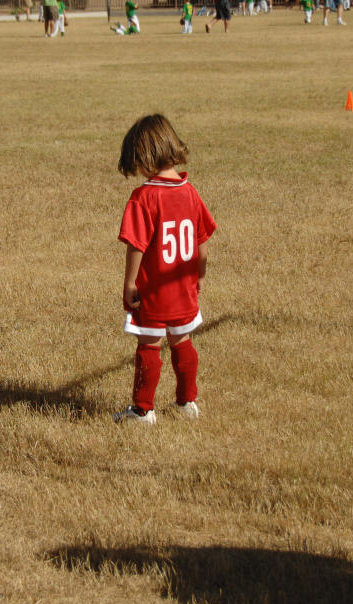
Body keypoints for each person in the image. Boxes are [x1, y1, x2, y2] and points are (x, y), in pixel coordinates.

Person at [113, 114, 216, 425]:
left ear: (145, 156)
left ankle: (143, 410)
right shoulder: (189, 191)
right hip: (183, 289)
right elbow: (202, 241)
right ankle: (187, 402)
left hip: (156, 291)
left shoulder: (145, 196)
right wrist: (199, 276)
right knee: (182, 341)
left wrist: (130, 283)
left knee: (149, 346)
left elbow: (136, 245)